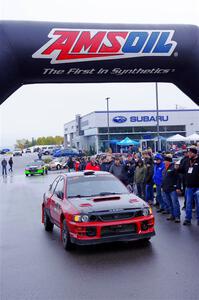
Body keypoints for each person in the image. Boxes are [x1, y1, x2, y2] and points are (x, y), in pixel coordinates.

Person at [181, 147, 199, 225]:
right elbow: (182, 170)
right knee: (188, 203)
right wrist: (177, 168)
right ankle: (188, 219)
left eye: (190, 153)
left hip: (198, 186)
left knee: (198, 204)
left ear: (195, 153)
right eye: (188, 152)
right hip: (189, 186)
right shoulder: (186, 161)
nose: (189, 154)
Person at [162, 154, 181, 223]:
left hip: (172, 189)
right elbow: (163, 179)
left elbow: (178, 178)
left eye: (165, 161)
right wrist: (162, 187)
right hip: (165, 188)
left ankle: (177, 216)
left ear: (168, 161)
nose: (164, 162)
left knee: (175, 203)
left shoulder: (173, 168)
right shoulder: (165, 168)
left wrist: (178, 187)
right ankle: (172, 215)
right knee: (169, 203)